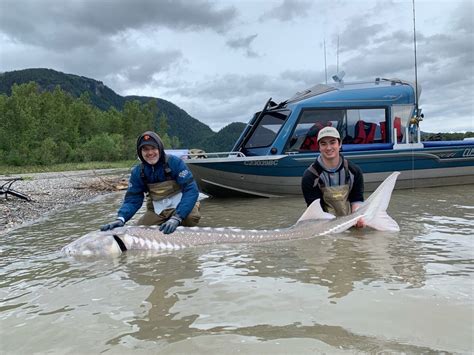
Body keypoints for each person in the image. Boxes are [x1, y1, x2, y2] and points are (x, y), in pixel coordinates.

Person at [100, 131, 201, 234]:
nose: (150, 153)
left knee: (190, 218)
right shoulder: (137, 172)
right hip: (157, 210)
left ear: (160, 149)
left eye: (153, 148)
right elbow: (133, 199)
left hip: (180, 205)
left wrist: (177, 217)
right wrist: (121, 218)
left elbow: (191, 190)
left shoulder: (175, 163)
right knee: (138, 233)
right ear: (140, 152)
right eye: (145, 149)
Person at [301, 126, 365, 227]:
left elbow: (356, 199)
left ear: (340, 144)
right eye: (323, 144)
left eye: (332, 142)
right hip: (323, 224)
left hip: (350, 222)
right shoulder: (310, 176)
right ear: (319, 147)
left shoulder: (354, 171)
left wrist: (358, 217)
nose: (328, 148)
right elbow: (315, 210)